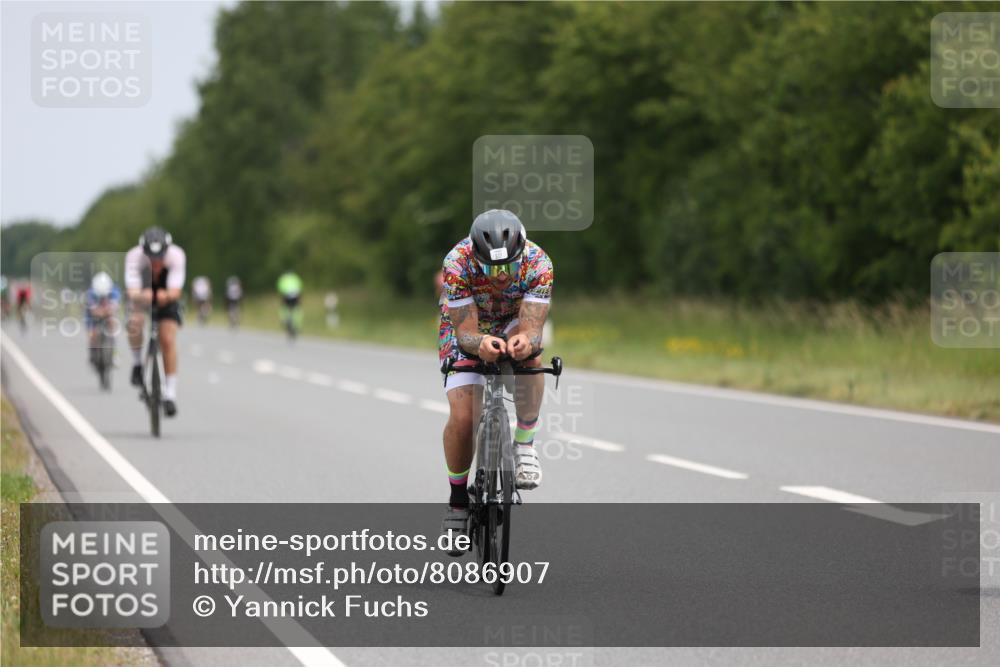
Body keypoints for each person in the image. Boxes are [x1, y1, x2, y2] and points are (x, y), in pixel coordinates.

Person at [438, 209, 553, 552]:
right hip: (467, 326)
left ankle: (525, 445)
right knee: (463, 417)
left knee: (531, 358)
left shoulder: (539, 263)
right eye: (491, 268)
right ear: (475, 256)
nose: (501, 277)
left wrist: (525, 342)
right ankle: (458, 503)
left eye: (508, 268)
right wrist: (479, 344)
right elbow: (466, 332)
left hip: (513, 321)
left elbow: (532, 329)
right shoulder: (457, 263)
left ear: (522, 255)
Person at [125, 227, 186, 417]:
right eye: (151, 256)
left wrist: (165, 295)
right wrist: (142, 295)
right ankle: (137, 363)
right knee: (135, 322)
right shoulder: (134, 256)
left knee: (167, 339)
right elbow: (131, 289)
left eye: (159, 256)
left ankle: (170, 393)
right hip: (142, 293)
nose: (156, 261)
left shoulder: (176, 255)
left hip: (166, 295)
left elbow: (176, 290)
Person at [85, 271, 121, 365]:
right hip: (93, 316)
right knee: (91, 333)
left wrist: (106, 312)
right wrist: (100, 312)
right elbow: (92, 310)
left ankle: (114, 353)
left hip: (107, 314)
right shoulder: (91, 293)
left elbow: (114, 308)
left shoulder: (114, 291)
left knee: (112, 322)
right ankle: (92, 352)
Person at [276, 270, 303, 338]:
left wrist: (282, 293)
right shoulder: (296, 278)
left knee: (284, 307)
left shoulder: (283, 278)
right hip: (296, 295)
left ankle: (284, 319)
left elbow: (279, 287)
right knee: (297, 309)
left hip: (286, 295)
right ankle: (297, 324)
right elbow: (300, 286)